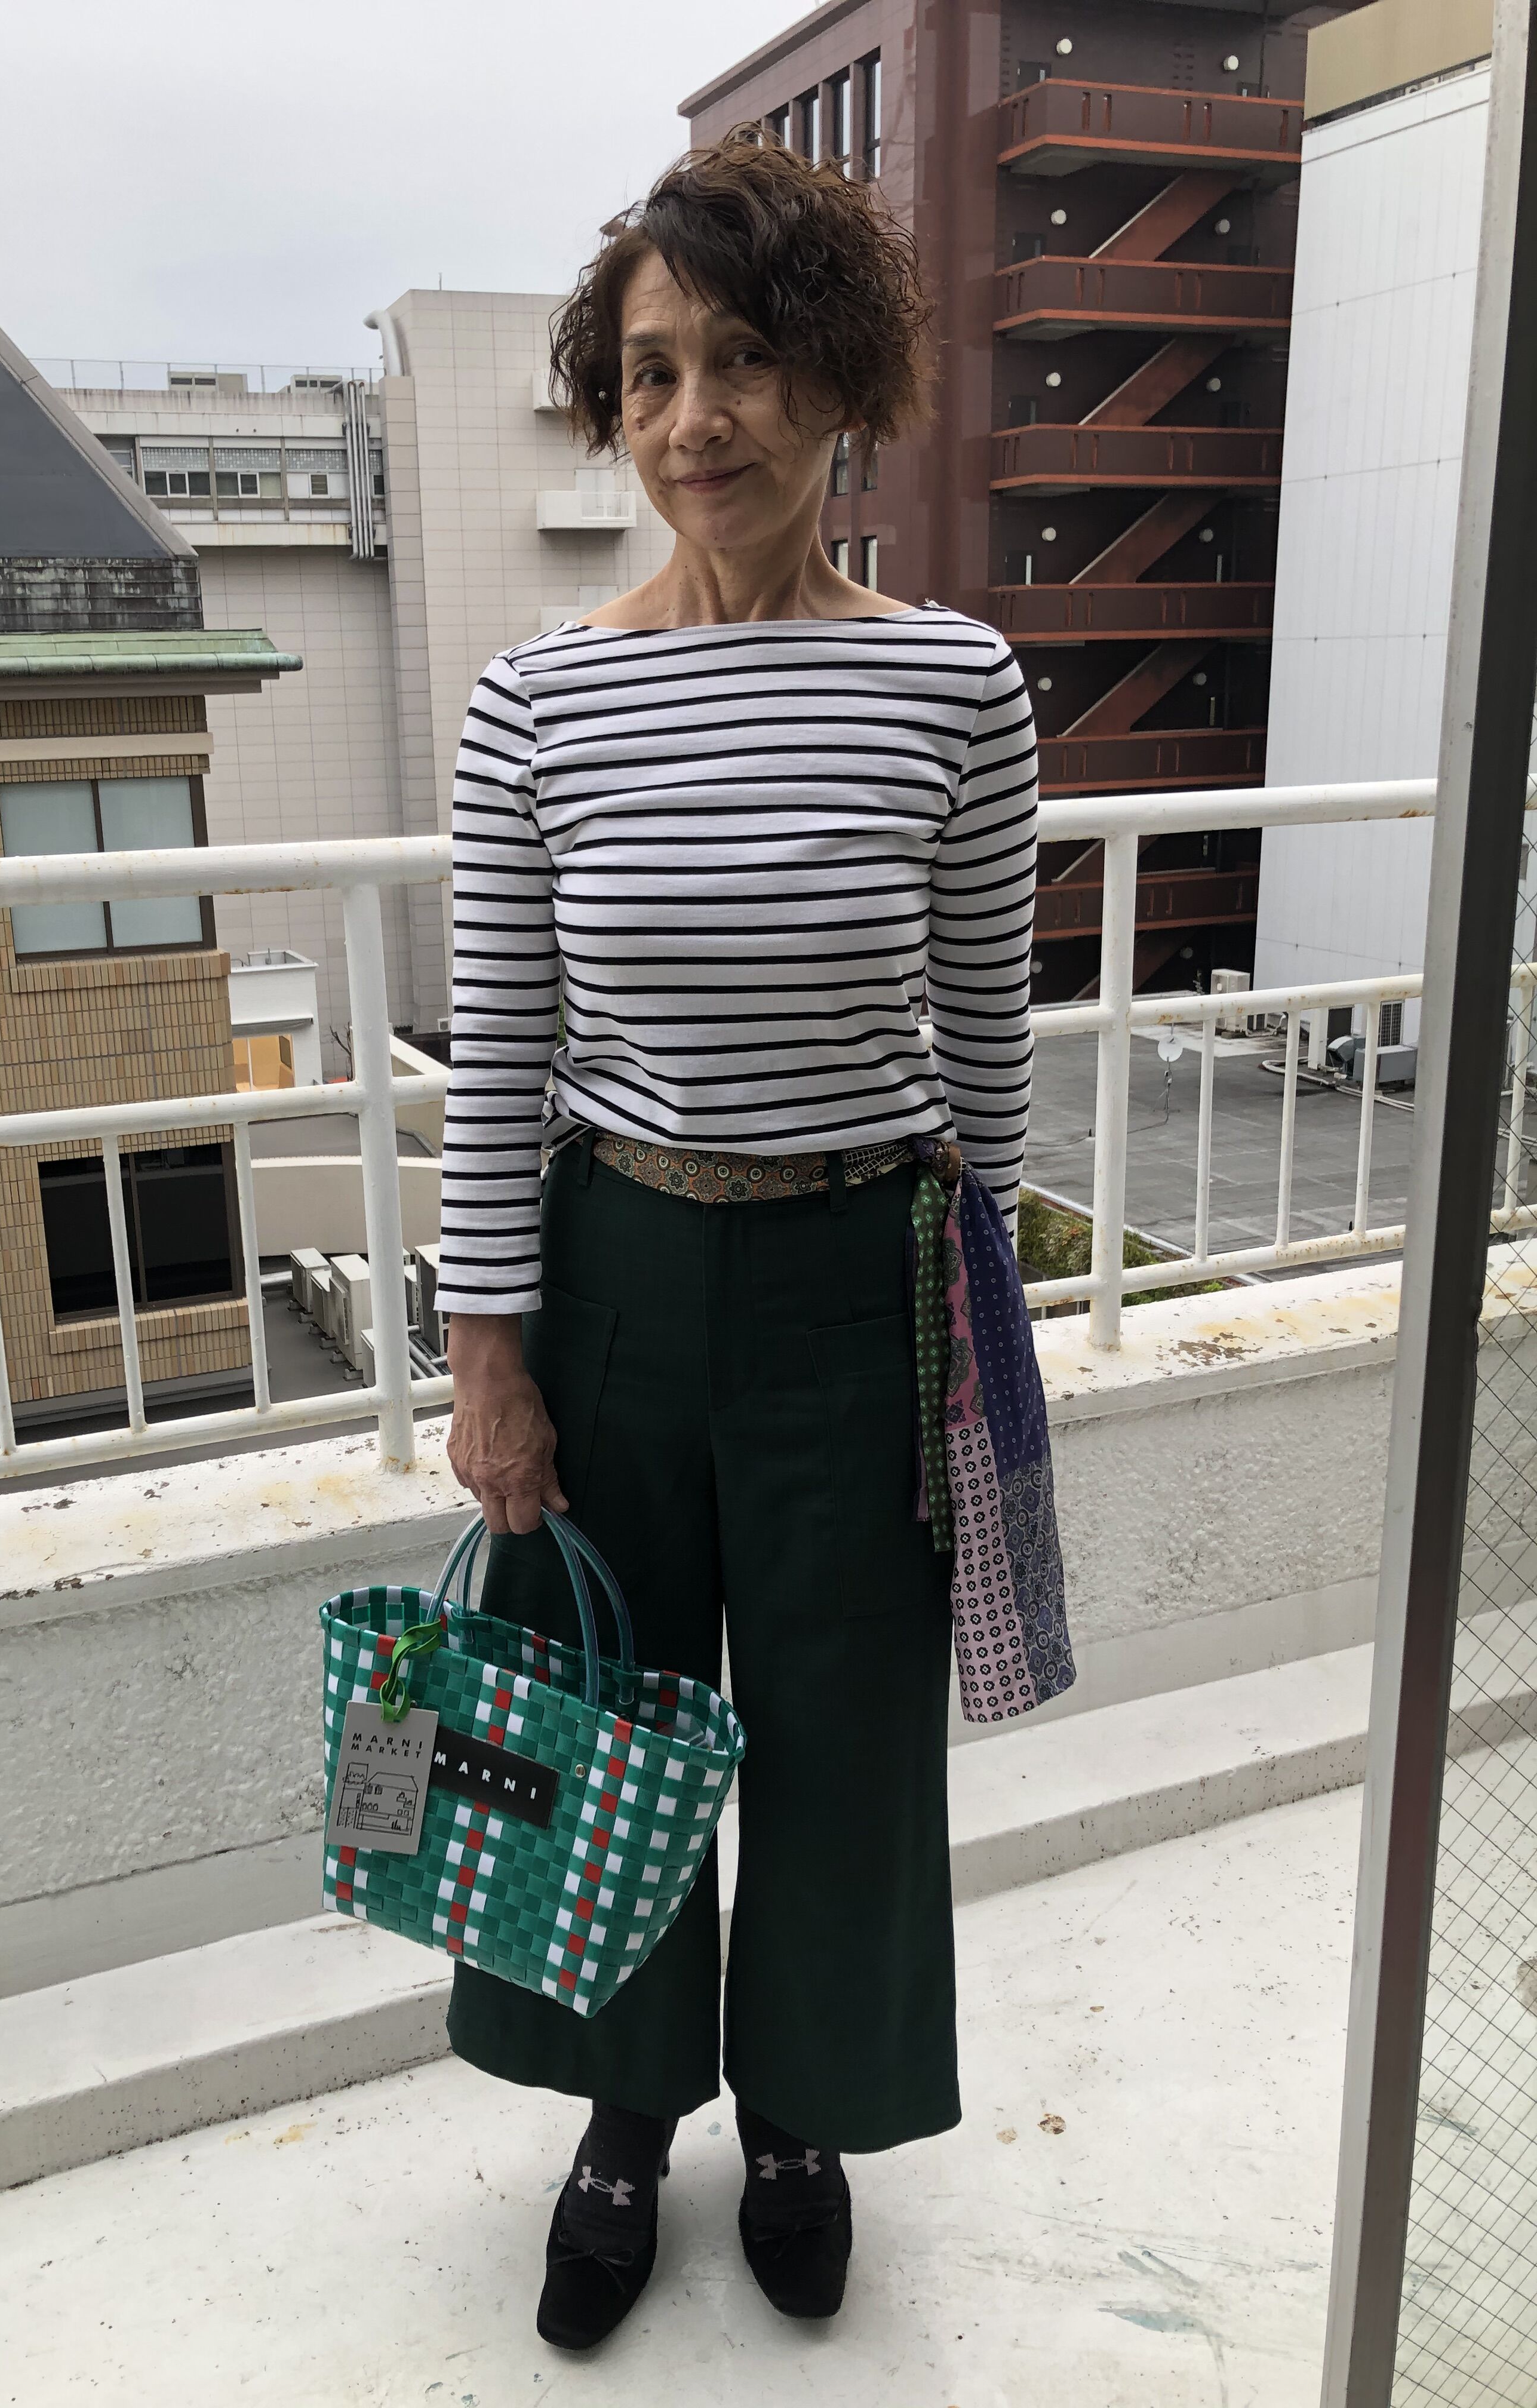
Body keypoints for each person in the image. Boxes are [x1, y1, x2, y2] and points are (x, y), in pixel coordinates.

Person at [433, 129, 1037, 2350]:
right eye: (656, 371)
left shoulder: (955, 687)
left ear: (844, 384)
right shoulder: (538, 703)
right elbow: (502, 1055)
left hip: (860, 1278)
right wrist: (490, 1357)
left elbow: (987, 1034)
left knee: (845, 1727)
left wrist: (974, 1330)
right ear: (617, 408)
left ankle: (799, 2113)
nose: (702, 419)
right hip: (613, 1274)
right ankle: (626, 2116)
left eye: (752, 361)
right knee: (603, 1699)